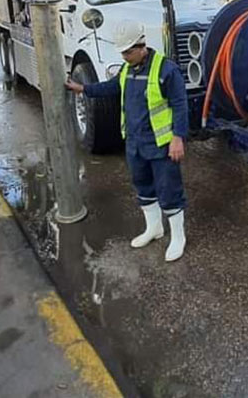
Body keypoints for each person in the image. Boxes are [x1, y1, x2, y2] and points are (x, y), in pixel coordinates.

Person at [65, 21, 189, 262]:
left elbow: (180, 105)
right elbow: (113, 87)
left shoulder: (166, 70)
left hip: (161, 144)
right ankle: (154, 228)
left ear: (142, 46)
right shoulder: (127, 69)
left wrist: (178, 138)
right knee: (143, 186)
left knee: (169, 190)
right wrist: (83, 89)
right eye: (122, 52)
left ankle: (178, 236)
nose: (124, 56)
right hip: (134, 142)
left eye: (128, 52)